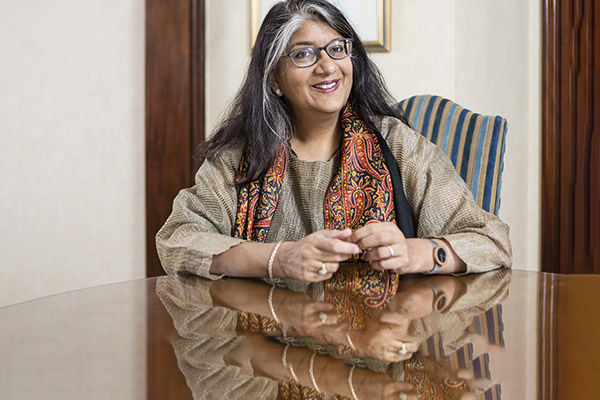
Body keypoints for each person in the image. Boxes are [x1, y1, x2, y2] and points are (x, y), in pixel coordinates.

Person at [156, 0, 512, 284]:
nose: (327, 67)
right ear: (274, 79)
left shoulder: (395, 142)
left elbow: (491, 241)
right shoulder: (238, 157)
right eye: (303, 53)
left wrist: (416, 253)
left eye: (337, 48)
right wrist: (280, 259)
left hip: (376, 355)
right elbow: (177, 239)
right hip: (268, 353)